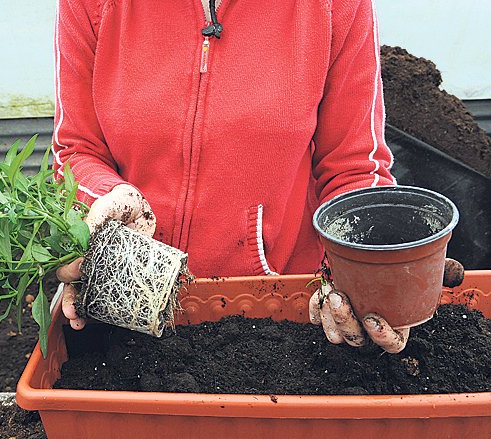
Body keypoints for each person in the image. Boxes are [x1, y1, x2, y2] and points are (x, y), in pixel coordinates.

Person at [52, 0, 410, 352]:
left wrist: (372, 267)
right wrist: (101, 199)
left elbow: (353, 165)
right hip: (130, 298)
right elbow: (76, 150)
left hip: (278, 313)